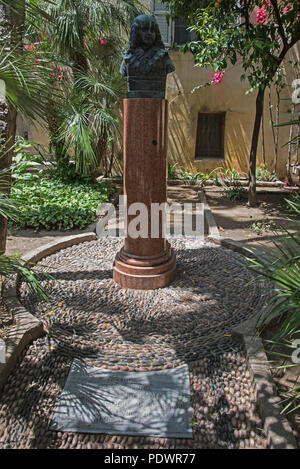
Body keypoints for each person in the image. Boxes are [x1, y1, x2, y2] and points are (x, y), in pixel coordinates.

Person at [120, 14, 175, 98]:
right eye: (145, 29)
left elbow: (170, 67)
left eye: (152, 30)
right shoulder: (128, 58)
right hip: (134, 102)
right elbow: (123, 72)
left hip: (157, 101)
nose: (149, 33)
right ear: (136, 32)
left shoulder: (163, 57)